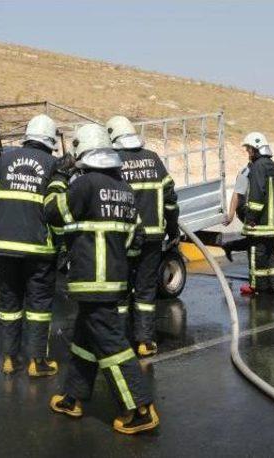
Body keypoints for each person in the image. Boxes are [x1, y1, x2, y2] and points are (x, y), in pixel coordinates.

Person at [45, 123, 159, 435]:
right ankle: (73, 397)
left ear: (82, 151)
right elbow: (135, 238)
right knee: (85, 340)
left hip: (92, 282)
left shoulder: (85, 185)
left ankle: (139, 408)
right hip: (115, 280)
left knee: (113, 347)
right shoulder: (124, 189)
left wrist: (58, 177)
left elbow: (53, 211)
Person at [0, 114, 60, 376]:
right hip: (39, 250)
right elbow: (55, 211)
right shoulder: (53, 164)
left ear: (28, 135)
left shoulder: (4, 160)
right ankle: (37, 362)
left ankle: (9, 359)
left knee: (10, 303)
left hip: (5, 248)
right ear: (50, 140)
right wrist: (61, 243)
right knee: (38, 305)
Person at [106, 115, 179, 357]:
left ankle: (120, 340)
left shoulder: (115, 161)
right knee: (146, 289)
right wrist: (172, 229)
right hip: (153, 238)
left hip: (124, 239)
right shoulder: (153, 159)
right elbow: (170, 199)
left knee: (122, 288)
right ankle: (145, 341)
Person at [240, 132, 274, 295]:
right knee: (271, 256)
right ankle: (273, 285)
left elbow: (257, 195)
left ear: (255, 149)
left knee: (257, 256)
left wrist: (250, 217)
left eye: (249, 149)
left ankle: (257, 286)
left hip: (261, 224)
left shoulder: (258, 167)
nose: (248, 153)